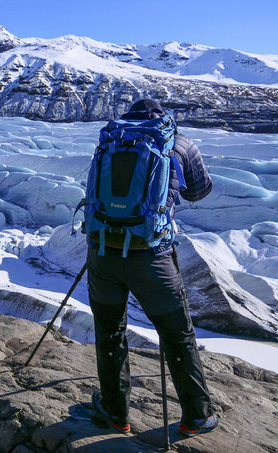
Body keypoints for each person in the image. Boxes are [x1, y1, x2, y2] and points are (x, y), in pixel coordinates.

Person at [87, 99, 219, 436]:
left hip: (103, 251)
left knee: (110, 331)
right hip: (152, 257)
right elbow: (199, 192)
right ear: (163, 116)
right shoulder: (178, 142)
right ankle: (197, 416)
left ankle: (116, 413)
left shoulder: (110, 138)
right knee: (178, 336)